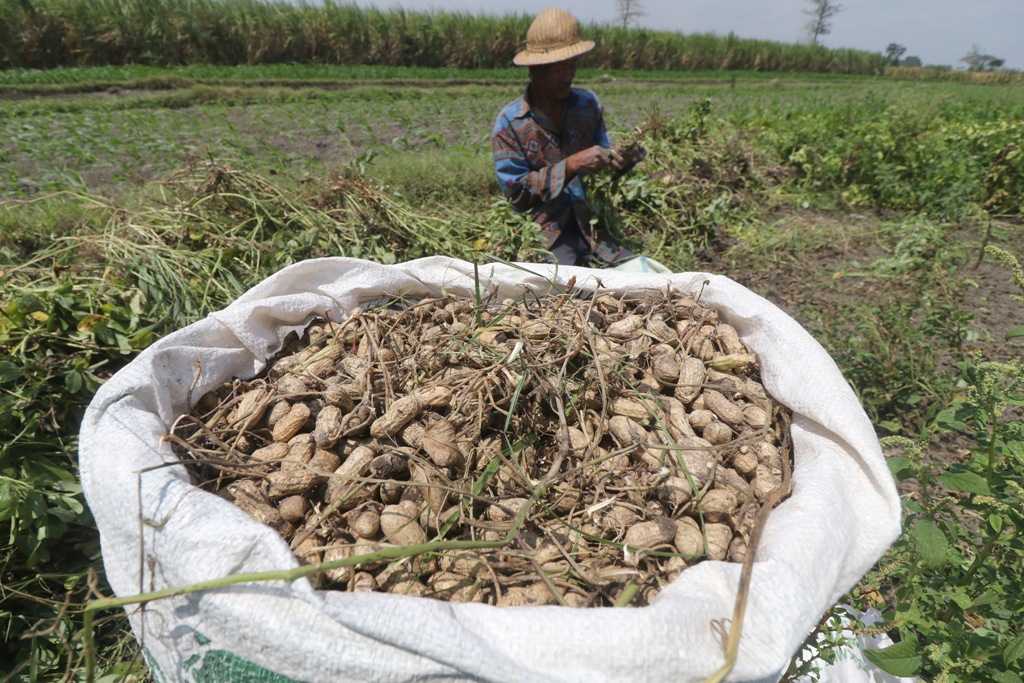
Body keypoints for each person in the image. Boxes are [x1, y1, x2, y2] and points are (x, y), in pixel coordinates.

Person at [491, 7, 641, 267]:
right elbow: (517, 197)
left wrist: (621, 159)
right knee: (569, 290)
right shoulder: (510, 123)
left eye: (571, 65)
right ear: (535, 69)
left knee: (640, 277)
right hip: (548, 233)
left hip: (593, 225)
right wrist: (571, 166)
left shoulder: (587, 104)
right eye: (558, 68)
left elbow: (603, 163)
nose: (568, 75)